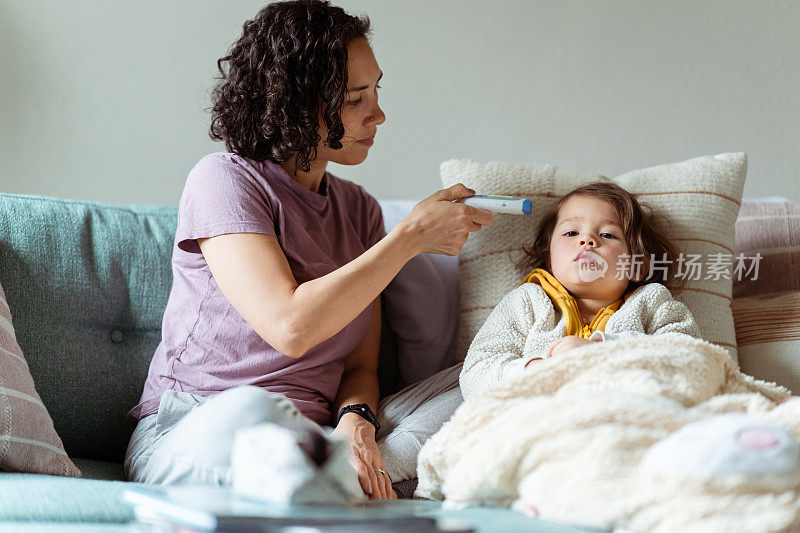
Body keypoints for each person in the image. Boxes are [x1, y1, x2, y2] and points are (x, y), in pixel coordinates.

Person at [124, 0, 492, 500]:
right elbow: (290, 328)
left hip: (323, 433)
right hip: (205, 422)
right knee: (252, 411)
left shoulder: (358, 209)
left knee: (497, 377)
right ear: (292, 102)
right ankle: (342, 478)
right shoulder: (225, 180)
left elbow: (360, 366)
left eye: (376, 90)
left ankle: (351, 469)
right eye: (353, 98)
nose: (378, 114)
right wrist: (407, 240)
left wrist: (356, 421)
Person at [459, 181, 701, 399]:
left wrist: (601, 351)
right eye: (571, 233)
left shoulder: (652, 304)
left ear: (637, 266)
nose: (587, 240)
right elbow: (475, 373)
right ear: (550, 259)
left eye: (607, 234)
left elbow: (691, 359)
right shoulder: (526, 302)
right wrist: (538, 371)